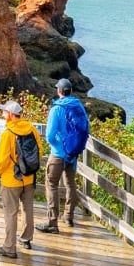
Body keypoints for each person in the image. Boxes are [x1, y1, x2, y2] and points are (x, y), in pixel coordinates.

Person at [0, 99, 46, 259]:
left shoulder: (7, 134)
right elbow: (39, 151)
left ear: (10, 115)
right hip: (29, 178)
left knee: (11, 213)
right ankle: (26, 238)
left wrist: (1, 173)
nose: (2, 114)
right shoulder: (32, 129)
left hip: (11, 179)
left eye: (4, 112)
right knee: (28, 208)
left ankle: (9, 247)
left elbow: (2, 160)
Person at [38, 79, 90, 234]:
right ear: (71, 91)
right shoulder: (78, 105)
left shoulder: (57, 108)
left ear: (59, 91)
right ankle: (68, 215)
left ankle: (52, 222)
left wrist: (57, 146)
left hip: (58, 154)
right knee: (70, 183)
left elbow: (50, 135)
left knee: (51, 184)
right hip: (73, 154)